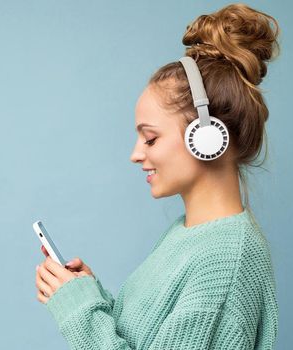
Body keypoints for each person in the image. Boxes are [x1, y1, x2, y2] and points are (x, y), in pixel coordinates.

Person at [34, 3, 280, 349]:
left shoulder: (226, 260)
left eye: (150, 138)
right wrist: (90, 296)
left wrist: (80, 312)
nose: (136, 154)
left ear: (205, 137)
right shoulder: (188, 234)